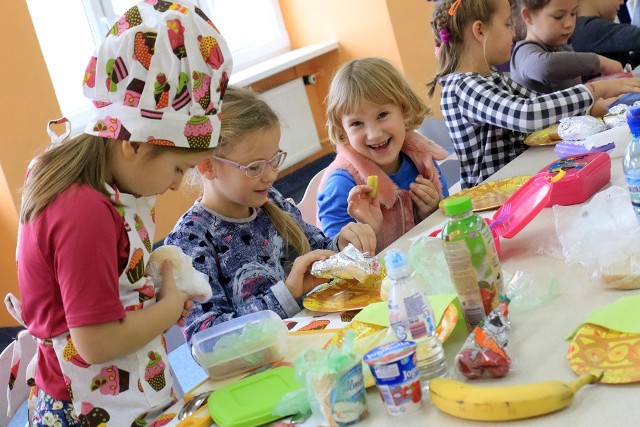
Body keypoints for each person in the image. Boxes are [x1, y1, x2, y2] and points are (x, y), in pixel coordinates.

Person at [16, 1, 232, 425]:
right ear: (133, 144)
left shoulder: (110, 185)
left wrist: (152, 286)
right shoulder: (82, 212)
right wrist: (169, 308)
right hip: (87, 409)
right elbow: (95, 343)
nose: (174, 185)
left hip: (131, 389)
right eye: (178, 169)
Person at [164, 86, 376, 342]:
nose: (270, 175)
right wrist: (285, 294)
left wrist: (343, 243)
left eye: (274, 160)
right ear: (208, 166)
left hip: (310, 340)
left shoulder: (269, 199)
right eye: (254, 167)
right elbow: (208, 338)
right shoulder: (189, 241)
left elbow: (317, 249)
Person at [427, 0, 640, 188]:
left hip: (516, 185)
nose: (512, 33)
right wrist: (595, 90)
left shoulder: (490, 78)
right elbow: (527, 114)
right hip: (490, 200)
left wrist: (597, 105)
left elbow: (538, 103)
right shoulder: (464, 87)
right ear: (479, 31)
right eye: (507, 24)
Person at [317, 57, 450, 252]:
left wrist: (431, 211)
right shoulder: (341, 186)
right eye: (357, 123)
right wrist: (364, 234)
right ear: (342, 130)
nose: (374, 134)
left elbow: (447, 223)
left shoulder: (420, 158)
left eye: (382, 115)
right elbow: (333, 264)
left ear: (404, 110)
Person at [510, 0, 623, 96]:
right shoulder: (523, 53)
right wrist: (599, 62)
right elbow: (546, 66)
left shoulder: (561, 50)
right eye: (558, 17)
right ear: (528, 16)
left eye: (573, 13)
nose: (569, 24)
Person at [572, 0, 640, 69]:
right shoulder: (590, 29)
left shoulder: (583, 27)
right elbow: (636, 37)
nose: (622, 2)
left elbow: (626, 64)